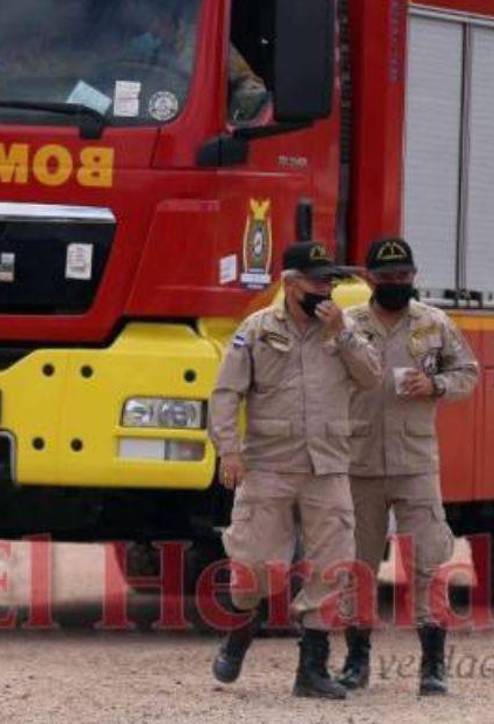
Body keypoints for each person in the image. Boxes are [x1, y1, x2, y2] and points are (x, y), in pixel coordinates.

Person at [208, 240, 382, 700]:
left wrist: (344, 333)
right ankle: (240, 635)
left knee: (331, 565)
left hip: (327, 466)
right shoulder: (257, 329)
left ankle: (312, 668)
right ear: (290, 283)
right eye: (317, 281)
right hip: (268, 464)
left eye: (330, 282)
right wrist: (228, 450)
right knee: (252, 567)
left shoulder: (341, 329)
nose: (325, 290)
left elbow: (372, 377)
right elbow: (227, 393)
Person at [337, 236, 479, 697]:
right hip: (359, 462)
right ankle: (356, 661)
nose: (395, 283)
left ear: (414, 276)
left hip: (415, 463)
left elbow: (469, 374)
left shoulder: (434, 324)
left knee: (428, 560)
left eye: (403, 276)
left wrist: (435, 383)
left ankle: (433, 665)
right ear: (369, 278)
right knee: (357, 565)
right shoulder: (349, 326)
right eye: (385, 277)